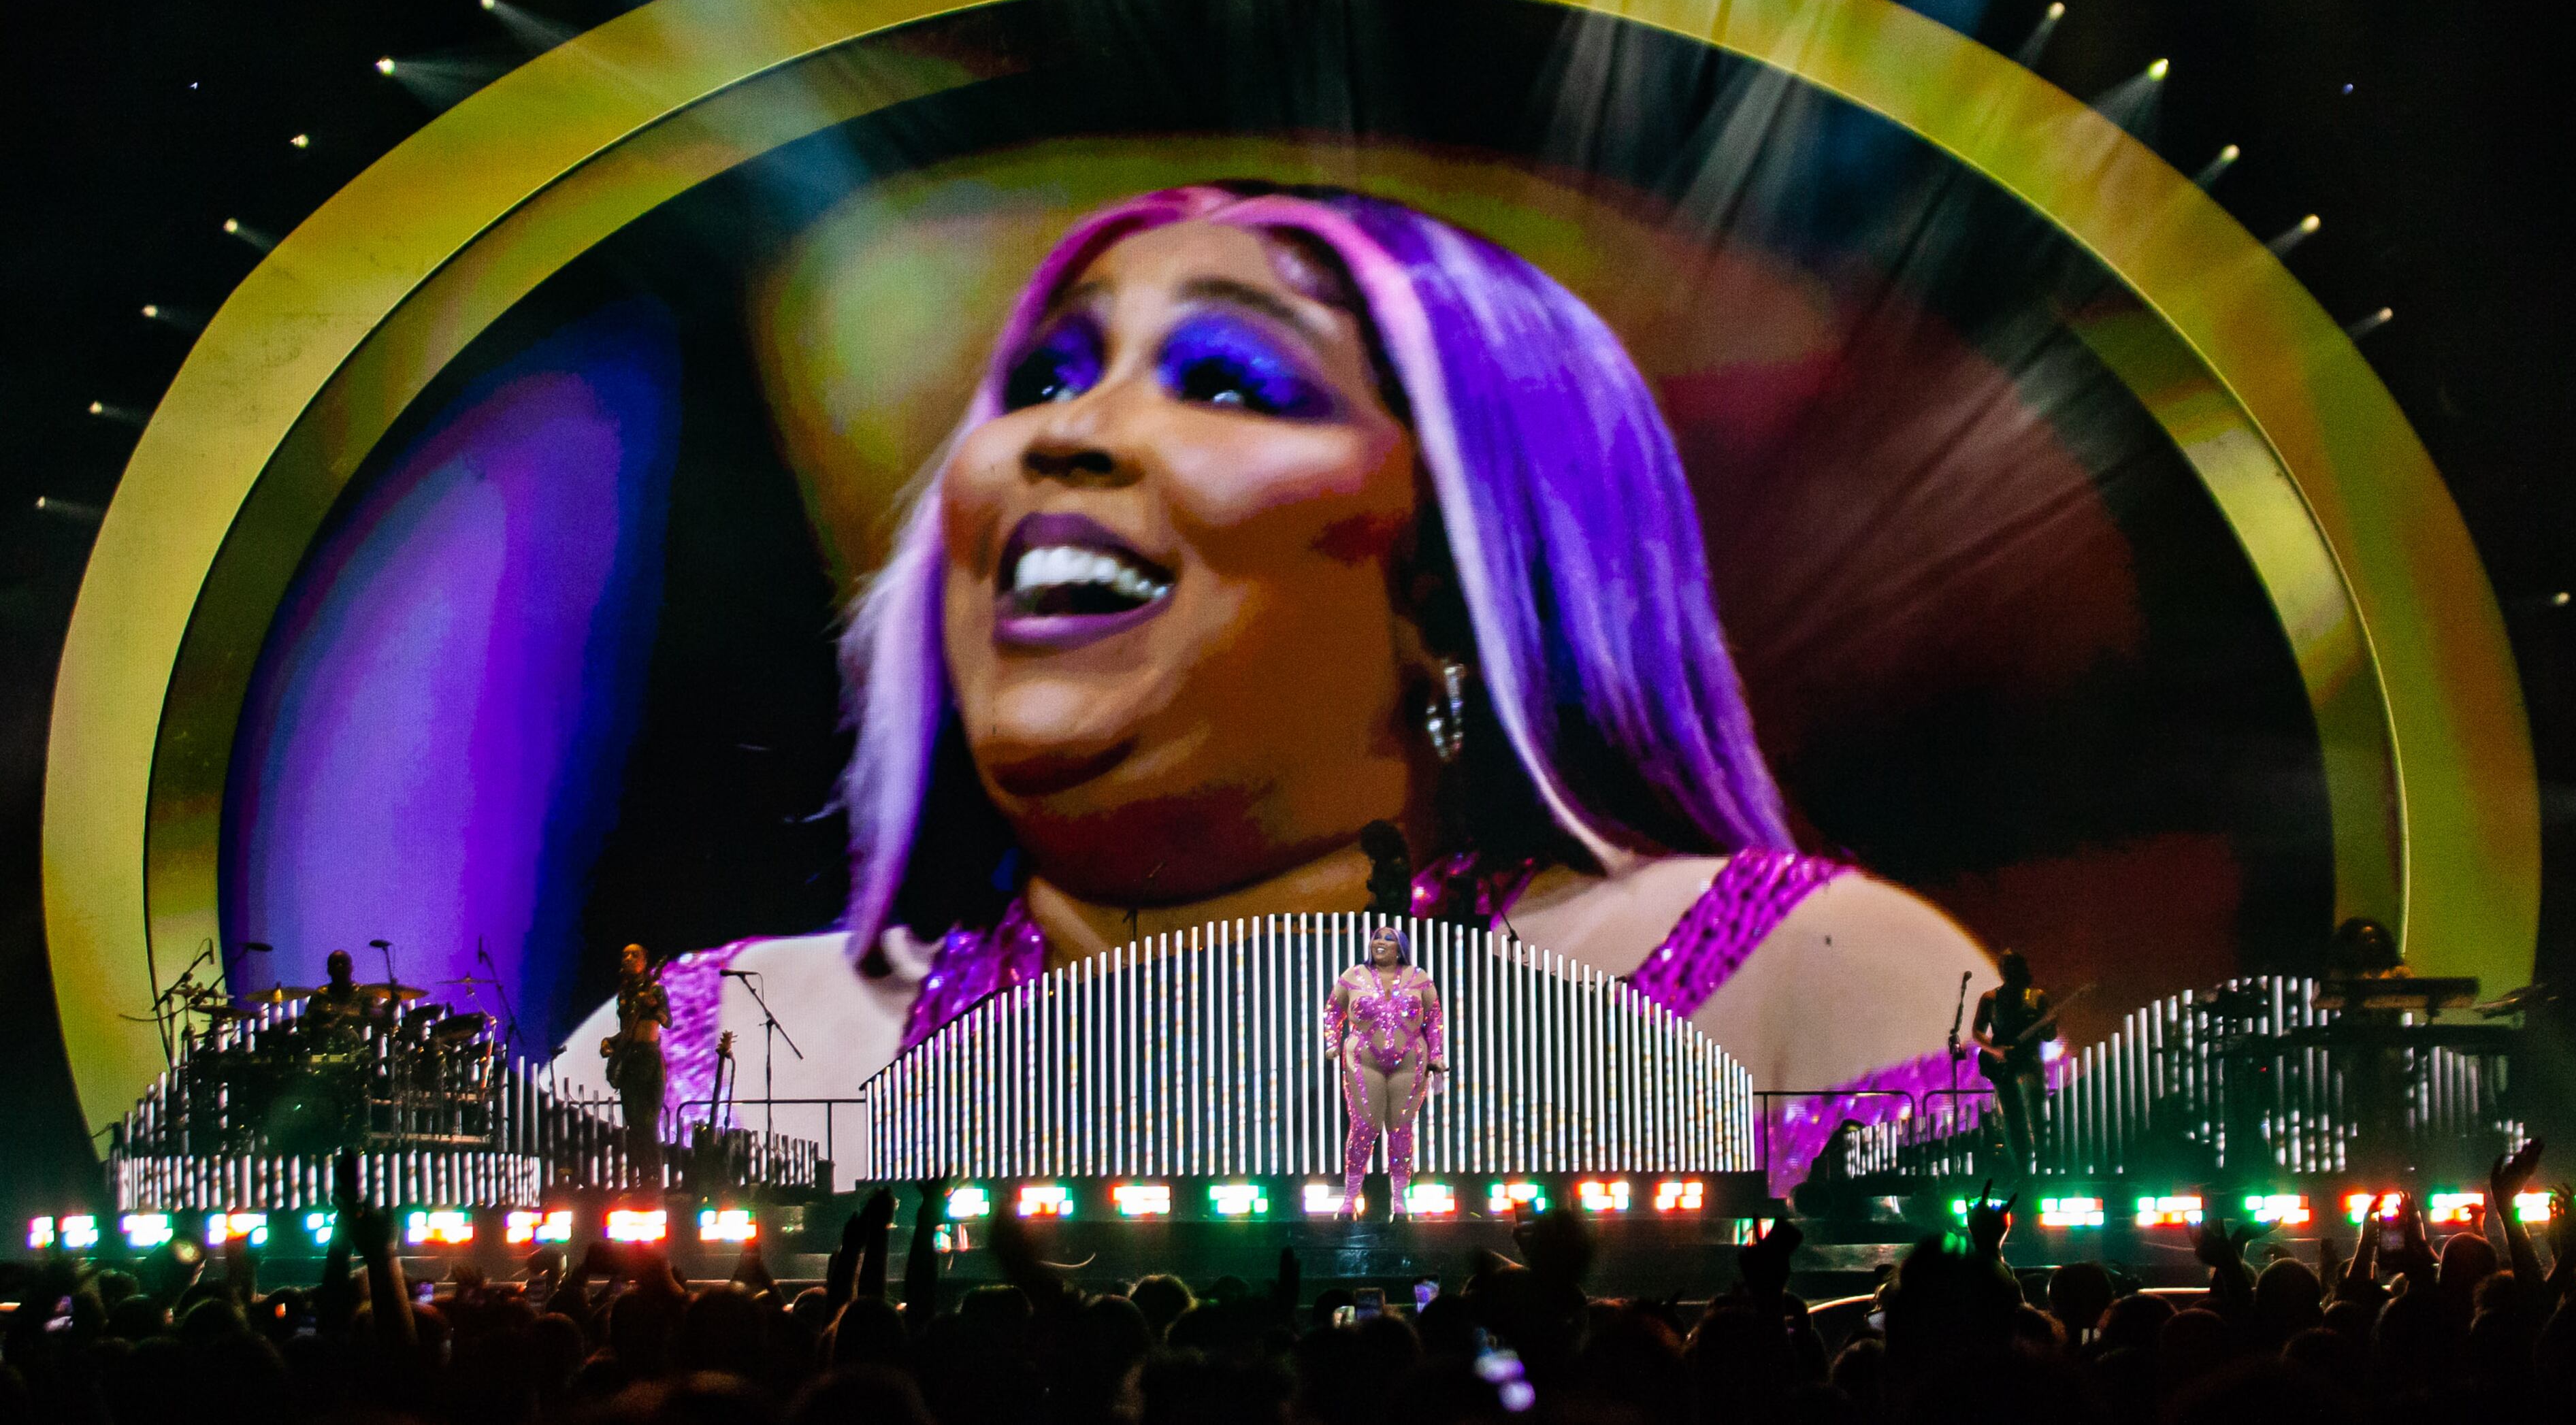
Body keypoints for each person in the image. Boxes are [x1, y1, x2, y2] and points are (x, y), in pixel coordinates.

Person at [570, 184, 1991, 1176]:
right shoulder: (717, 1049)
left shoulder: (1804, 990)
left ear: (1450, 571)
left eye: (1233, 381)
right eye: (1049, 376)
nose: (1067, 433)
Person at [1323, 926, 1446, 1219]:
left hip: (1410, 1060)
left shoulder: (1420, 978)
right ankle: (1351, 1197)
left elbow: (1434, 1018)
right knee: (1365, 1127)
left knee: (1400, 1128)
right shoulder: (1353, 976)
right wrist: (1332, 1043)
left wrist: (1437, 1055)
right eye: (1377, 937)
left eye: (1388, 939)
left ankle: (1400, 1200)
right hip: (1364, 1058)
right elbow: (1332, 1011)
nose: (1380, 942)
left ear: (1400, 948)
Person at [1972, 951, 2051, 1175]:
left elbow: (2049, 1036)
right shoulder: (1991, 998)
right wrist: (1995, 1051)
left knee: (2038, 1114)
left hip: (2031, 1062)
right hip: (2004, 1066)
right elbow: (1977, 1031)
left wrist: (2050, 1024)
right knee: (2013, 1116)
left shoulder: (2038, 997)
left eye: (2012, 967)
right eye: (2005, 967)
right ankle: (2023, 1169)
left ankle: (2044, 1166)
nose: (2008, 972)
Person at [602, 944, 670, 1191]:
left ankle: (654, 1178)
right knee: (635, 1124)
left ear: (646, 961)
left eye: (635, 955)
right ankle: (638, 1177)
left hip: (650, 1060)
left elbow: (666, 1020)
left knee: (650, 1121)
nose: (629, 959)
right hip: (630, 1060)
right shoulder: (623, 994)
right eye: (625, 955)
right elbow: (627, 1031)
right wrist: (610, 1042)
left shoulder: (656, 989)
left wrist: (651, 1004)